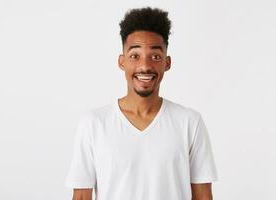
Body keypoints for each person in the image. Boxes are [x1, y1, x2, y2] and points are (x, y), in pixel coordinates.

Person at [65, 7, 218, 200]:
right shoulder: (94, 123)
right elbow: (81, 196)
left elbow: (203, 196)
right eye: (135, 56)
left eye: (155, 57)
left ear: (167, 63)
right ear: (122, 62)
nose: (145, 66)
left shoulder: (189, 122)